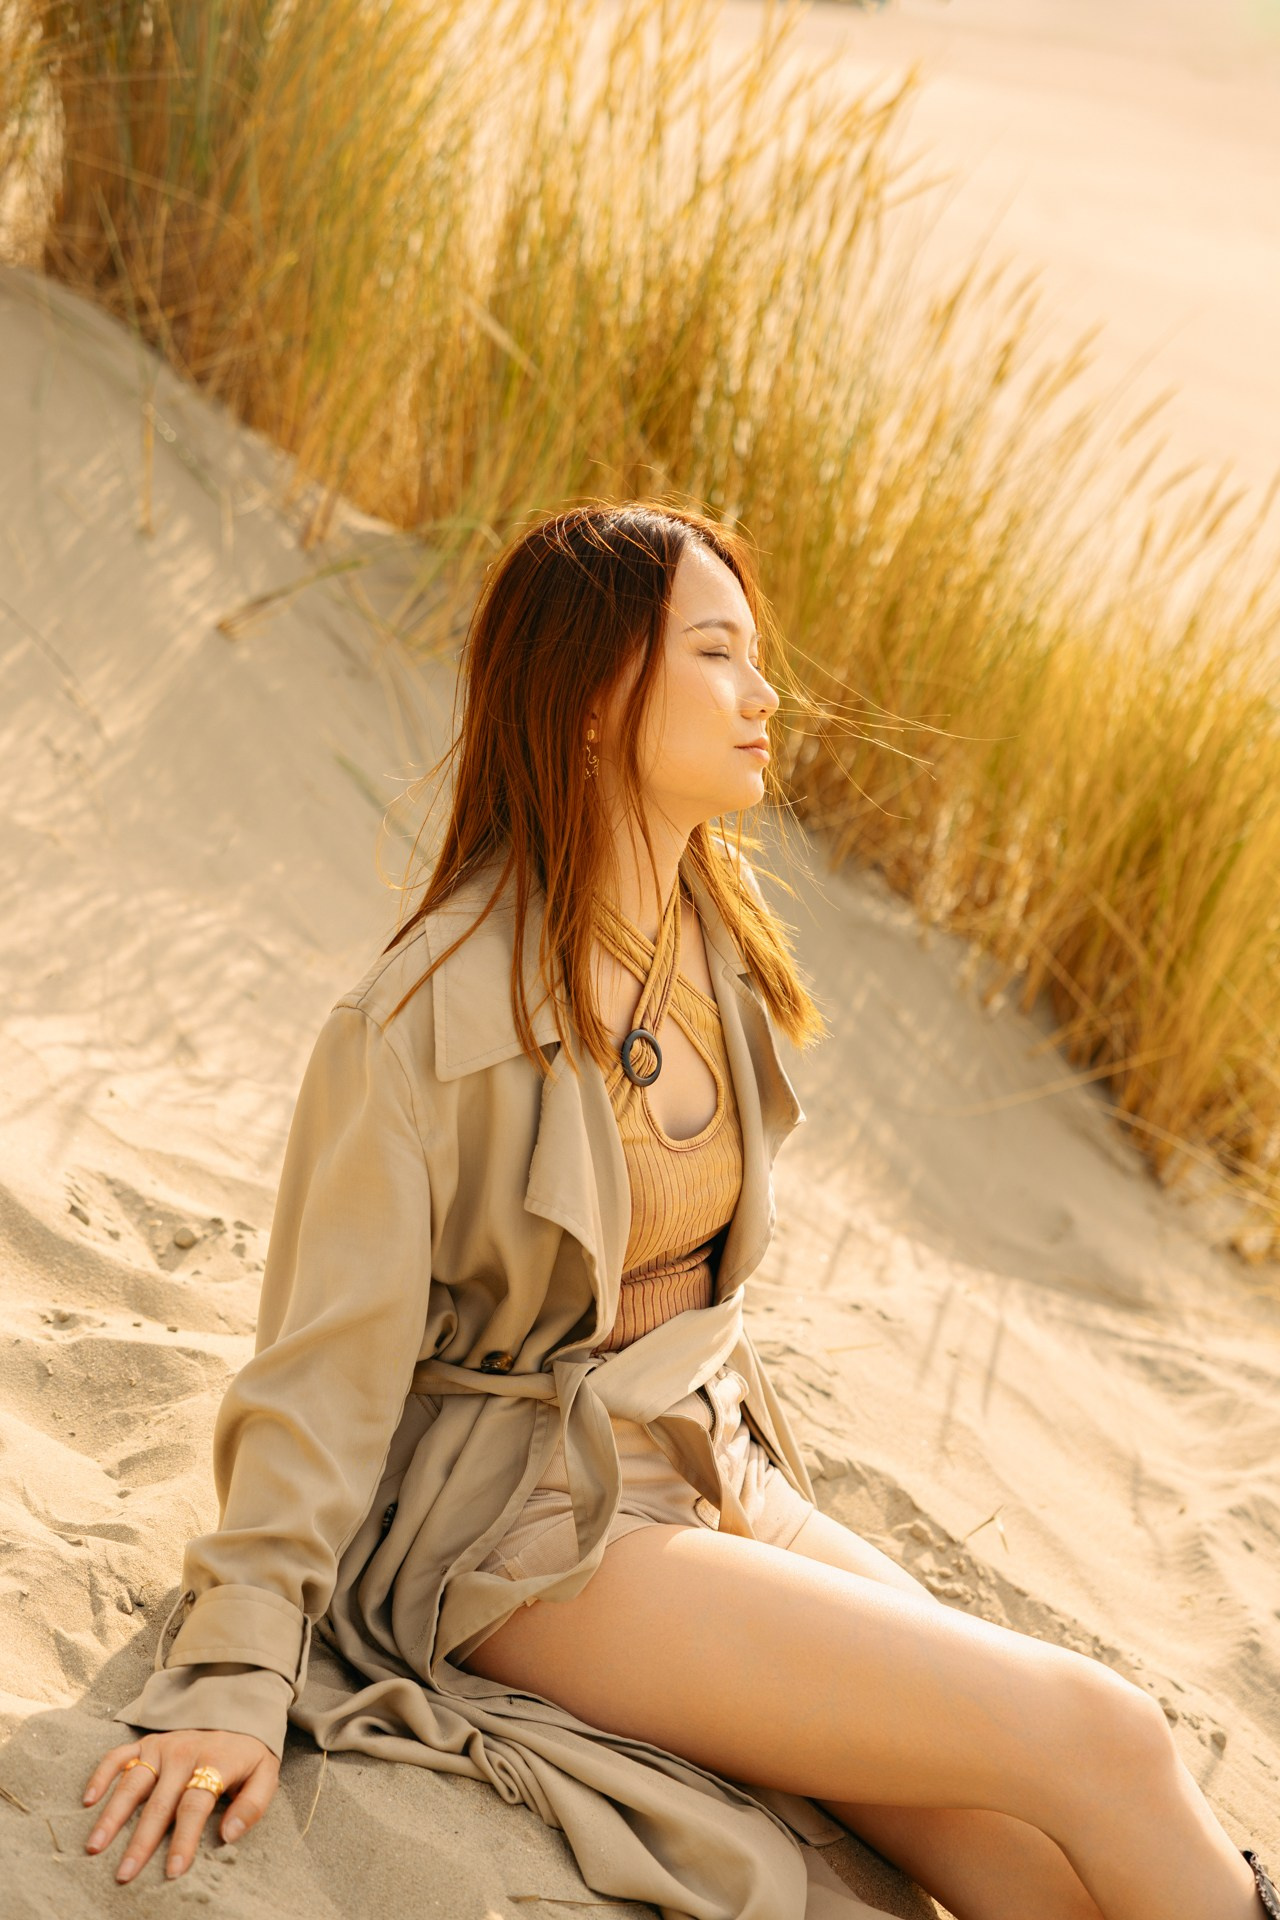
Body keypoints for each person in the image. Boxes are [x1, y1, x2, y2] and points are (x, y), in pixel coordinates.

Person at [81, 502, 1278, 1920]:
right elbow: (316, 1379)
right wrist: (232, 1666)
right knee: (1104, 1736)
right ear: (596, 693)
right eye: (717, 653)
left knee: (1041, 1866)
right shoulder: (414, 1025)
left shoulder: (709, 936)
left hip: (713, 1468)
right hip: (529, 1527)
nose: (767, 696)